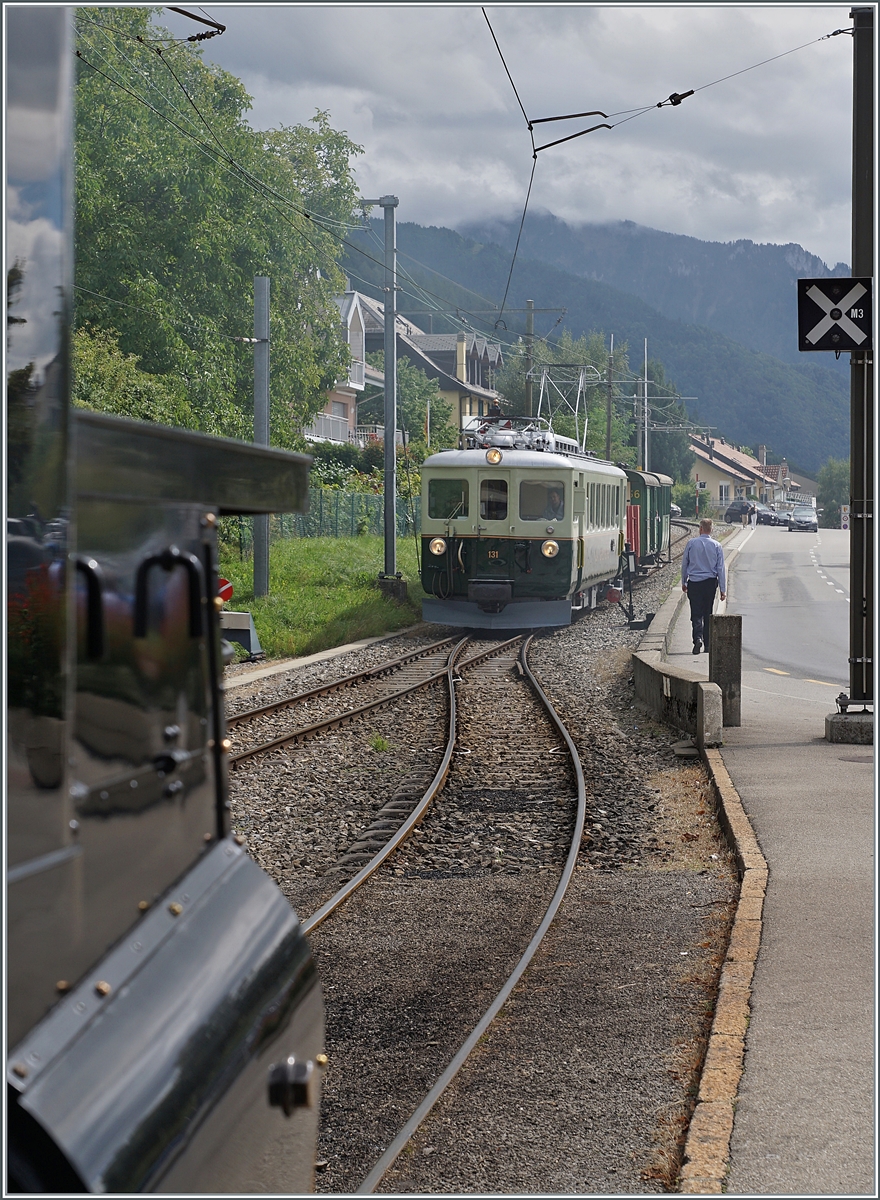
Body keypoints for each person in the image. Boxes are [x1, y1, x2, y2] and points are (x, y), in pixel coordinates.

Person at [681, 518, 726, 654]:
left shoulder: (691, 543)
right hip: (710, 583)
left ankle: (697, 638)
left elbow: (685, 564)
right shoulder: (717, 545)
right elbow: (721, 569)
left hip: (694, 582)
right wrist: (723, 590)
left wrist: (684, 581)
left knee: (696, 613)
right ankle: (707, 644)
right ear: (711, 529)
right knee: (708, 612)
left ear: (700, 528)